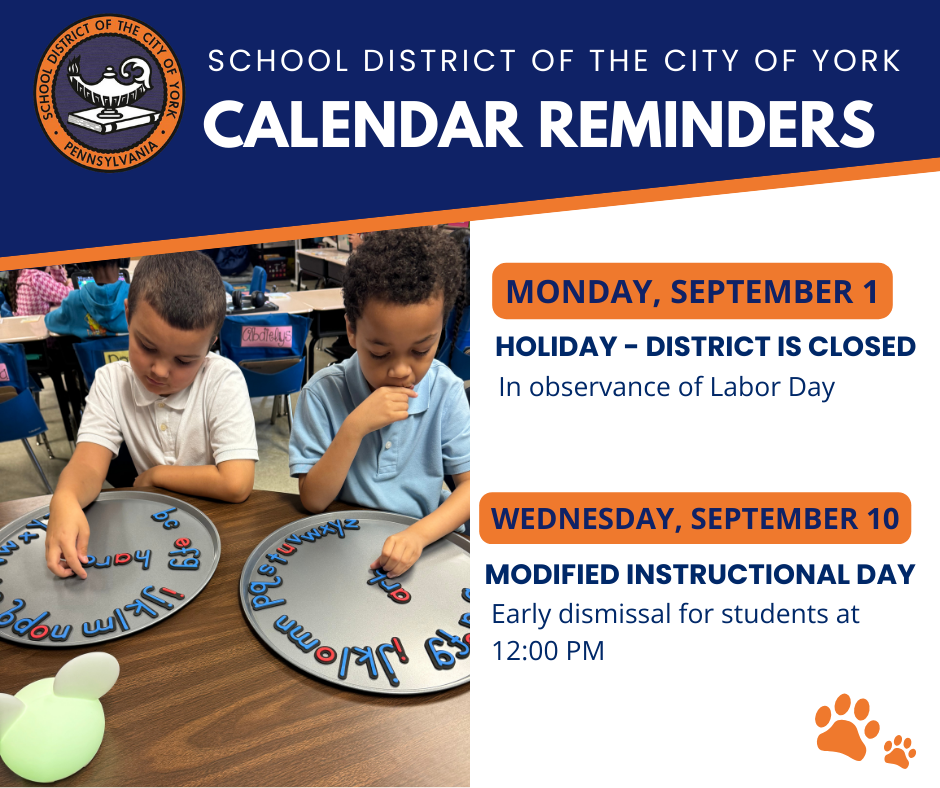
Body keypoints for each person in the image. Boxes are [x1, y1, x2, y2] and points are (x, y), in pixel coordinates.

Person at [46, 252, 258, 579]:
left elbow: (236, 482)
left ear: (211, 343)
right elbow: (88, 465)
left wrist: (157, 475)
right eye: (146, 346)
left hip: (221, 538)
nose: (160, 371)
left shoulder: (222, 379)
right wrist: (65, 496)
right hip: (156, 540)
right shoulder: (111, 382)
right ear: (128, 314)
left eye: (185, 361)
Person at [289, 227, 470, 578]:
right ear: (352, 331)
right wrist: (354, 427)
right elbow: (313, 500)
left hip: (425, 547)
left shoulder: (446, 390)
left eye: (421, 350)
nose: (402, 371)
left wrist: (419, 534)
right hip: (341, 549)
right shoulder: (321, 393)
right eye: (380, 352)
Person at [44, 259, 129, 337]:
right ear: (123, 260)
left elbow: (49, 322)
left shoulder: (74, 301)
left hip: (93, 353)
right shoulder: (138, 296)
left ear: (83, 264)